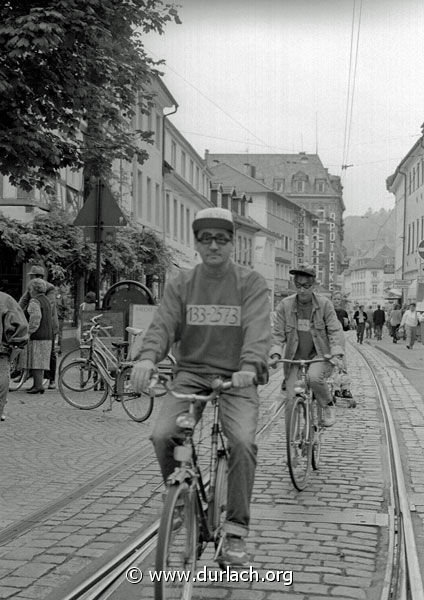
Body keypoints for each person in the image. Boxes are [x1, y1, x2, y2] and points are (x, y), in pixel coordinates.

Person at [130, 207, 271, 567]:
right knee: (162, 435)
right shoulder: (182, 283)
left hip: (237, 375)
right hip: (191, 372)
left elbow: (257, 329)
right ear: (196, 243)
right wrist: (147, 358)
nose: (213, 246)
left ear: (232, 244)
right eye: (205, 239)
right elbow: (163, 325)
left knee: (241, 441)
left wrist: (250, 366)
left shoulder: (250, 283)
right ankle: (179, 499)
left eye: (221, 239)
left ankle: (236, 530)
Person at [270, 264, 345, 428]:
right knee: (290, 399)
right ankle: (294, 441)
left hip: (319, 356)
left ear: (314, 285)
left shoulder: (325, 305)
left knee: (313, 378)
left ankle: (327, 405)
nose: (302, 290)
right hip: (294, 358)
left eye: (306, 286)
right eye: (298, 285)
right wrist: (276, 354)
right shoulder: (285, 305)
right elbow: (277, 335)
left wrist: (336, 352)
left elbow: (334, 330)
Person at [19, 265, 58, 389]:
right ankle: (35, 379)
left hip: (49, 323)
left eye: (31, 276)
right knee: (36, 354)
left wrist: (34, 307)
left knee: (49, 352)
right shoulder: (32, 287)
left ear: (37, 276)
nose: (30, 278)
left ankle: (51, 379)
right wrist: (17, 312)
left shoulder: (49, 288)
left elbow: (49, 307)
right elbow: (23, 300)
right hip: (38, 321)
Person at [0, 292, 29, 421]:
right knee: (2, 380)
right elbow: (21, 326)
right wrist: (15, 346)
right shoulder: (6, 299)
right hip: (2, 351)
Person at [21, 278, 53, 394]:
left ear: (34, 289)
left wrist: (29, 332)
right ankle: (37, 384)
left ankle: (38, 385)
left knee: (35, 361)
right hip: (47, 334)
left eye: (29, 289)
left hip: (38, 335)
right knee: (40, 362)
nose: (29, 291)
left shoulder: (35, 301)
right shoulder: (46, 299)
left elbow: (35, 318)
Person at [332, 297, 353, 401]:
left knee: (342, 365)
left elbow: (346, 328)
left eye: (338, 299)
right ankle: (334, 388)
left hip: (340, 341)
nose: (337, 301)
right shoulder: (328, 311)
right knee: (332, 366)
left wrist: (347, 323)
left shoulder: (343, 312)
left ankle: (345, 388)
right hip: (329, 341)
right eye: (335, 299)